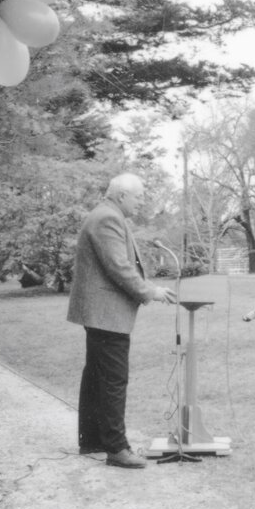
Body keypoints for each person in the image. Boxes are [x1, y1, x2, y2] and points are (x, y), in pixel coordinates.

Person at [67, 173, 176, 469]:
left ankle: (92, 440)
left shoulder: (105, 214)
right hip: (107, 314)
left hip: (101, 313)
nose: (141, 203)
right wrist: (150, 291)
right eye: (139, 196)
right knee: (114, 379)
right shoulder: (107, 218)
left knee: (96, 377)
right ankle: (117, 448)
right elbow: (119, 266)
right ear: (121, 195)